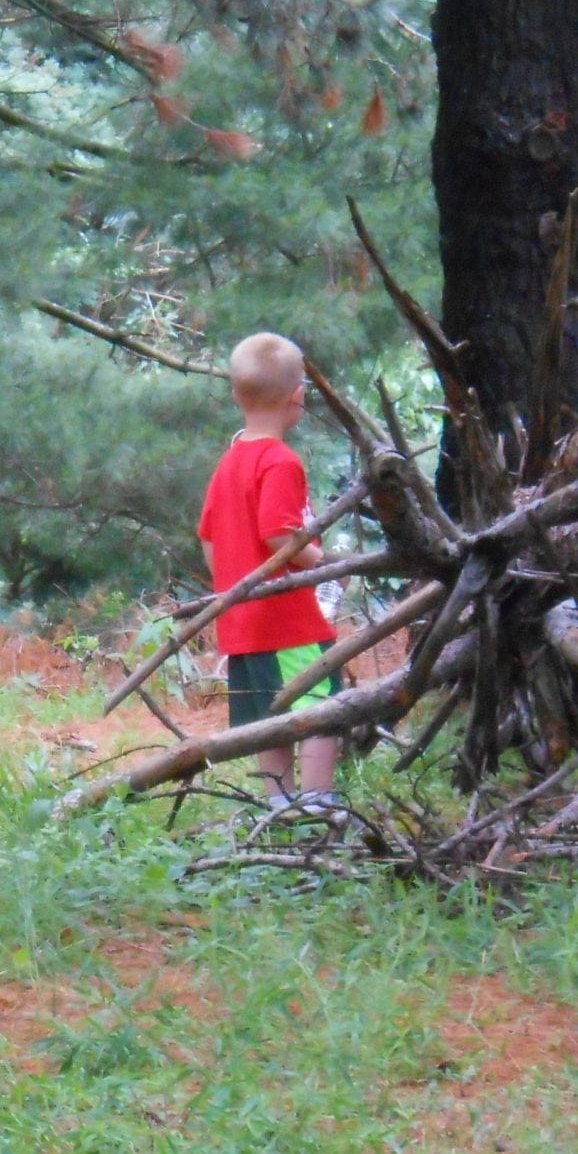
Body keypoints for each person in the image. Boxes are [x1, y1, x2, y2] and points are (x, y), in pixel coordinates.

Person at [197, 332, 342, 814]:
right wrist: (324, 562)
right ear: (297, 396)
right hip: (287, 621)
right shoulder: (280, 461)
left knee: (268, 716)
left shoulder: (229, 461)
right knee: (321, 708)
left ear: (237, 395)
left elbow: (209, 540)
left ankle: (278, 805)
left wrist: (232, 590)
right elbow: (281, 535)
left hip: (243, 622)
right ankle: (318, 801)